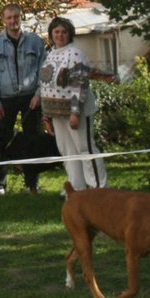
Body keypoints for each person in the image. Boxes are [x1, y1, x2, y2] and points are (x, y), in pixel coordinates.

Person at [0, 3, 47, 197]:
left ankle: (31, 185)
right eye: (9, 18)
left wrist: (38, 94)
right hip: (5, 99)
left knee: (33, 142)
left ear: (21, 17)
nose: (13, 21)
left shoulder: (35, 42)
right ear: (3, 20)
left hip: (30, 98)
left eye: (16, 17)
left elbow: (45, 71)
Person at [40, 16, 107, 190]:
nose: (60, 35)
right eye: (56, 32)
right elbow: (46, 85)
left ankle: (98, 189)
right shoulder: (50, 54)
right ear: (51, 34)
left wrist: (75, 112)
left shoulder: (75, 54)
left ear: (70, 34)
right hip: (56, 115)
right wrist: (46, 115)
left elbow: (80, 85)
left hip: (76, 112)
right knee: (67, 152)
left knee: (85, 149)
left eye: (64, 32)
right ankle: (77, 190)